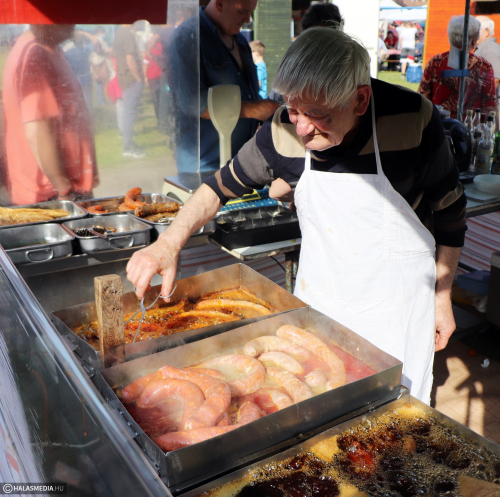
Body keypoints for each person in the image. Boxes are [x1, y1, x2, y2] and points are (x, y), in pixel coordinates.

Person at [127, 27, 466, 404]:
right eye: (292, 108)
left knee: (397, 416)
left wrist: (442, 298)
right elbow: (218, 187)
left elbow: (450, 212)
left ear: (359, 100)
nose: (301, 127)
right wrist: (168, 244)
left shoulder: (413, 118)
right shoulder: (283, 130)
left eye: (317, 114)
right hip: (323, 305)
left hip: (398, 308)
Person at [167, 0, 280, 172]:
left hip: (241, 161)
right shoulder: (188, 37)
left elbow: (249, 93)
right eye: (243, 12)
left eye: (251, 12)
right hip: (205, 165)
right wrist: (254, 109)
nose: (248, 19)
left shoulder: (240, 41)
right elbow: (193, 102)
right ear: (220, 4)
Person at [2, 24, 99, 205]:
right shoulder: (34, 53)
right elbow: (36, 131)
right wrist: (63, 187)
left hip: (65, 188)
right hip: (52, 194)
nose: (74, 23)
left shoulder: (50, 48)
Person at [418, 15, 497, 121]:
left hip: (438, 124)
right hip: (469, 126)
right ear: (474, 41)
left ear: (450, 38)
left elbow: (422, 99)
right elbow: (489, 107)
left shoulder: (435, 62)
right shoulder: (483, 66)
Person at [113, 24, 146, 158]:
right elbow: (130, 58)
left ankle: (128, 143)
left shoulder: (119, 32)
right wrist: (138, 77)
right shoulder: (127, 33)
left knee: (128, 111)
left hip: (124, 76)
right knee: (129, 112)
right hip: (130, 78)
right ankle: (128, 146)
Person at [475, 16, 500, 101]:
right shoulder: (485, 48)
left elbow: (494, 80)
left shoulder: (488, 49)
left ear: (486, 31)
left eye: (475, 30)